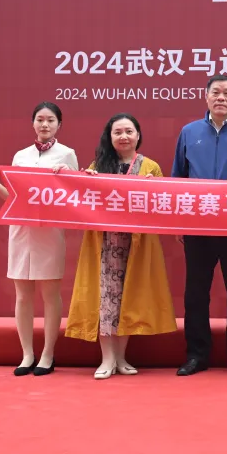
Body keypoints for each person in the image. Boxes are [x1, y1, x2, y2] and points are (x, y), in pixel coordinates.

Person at [65, 114, 178, 379]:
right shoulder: (98, 165)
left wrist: (154, 188)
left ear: (138, 135)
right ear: (110, 137)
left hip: (136, 244)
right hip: (104, 244)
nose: (124, 136)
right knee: (105, 299)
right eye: (118, 132)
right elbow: (83, 201)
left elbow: (163, 207)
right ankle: (107, 359)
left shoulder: (150, 167)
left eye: (129, 131)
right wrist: (85, 180)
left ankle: (121, 357)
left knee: (129, 299)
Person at [172, 75, 227, 377]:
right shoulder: (189, 132)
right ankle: (196, 355)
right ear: (206, 96)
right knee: (196, 293)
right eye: (216, 92)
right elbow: (178, 179)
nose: (221, 97)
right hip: (198, 227)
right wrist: (178, 222)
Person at [0, 101, 79, 376]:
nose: (45, 124)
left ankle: (48, 354)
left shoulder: (67, 154)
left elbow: (74, 196)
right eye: (40, 119)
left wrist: (67, 176)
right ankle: (27, 353)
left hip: (49, 231)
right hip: (21, 231)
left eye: (50, 120)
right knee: (23, 295)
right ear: (33, 123)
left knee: (50, 294)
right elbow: (15, 199)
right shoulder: (21, 156)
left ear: (59, 124)